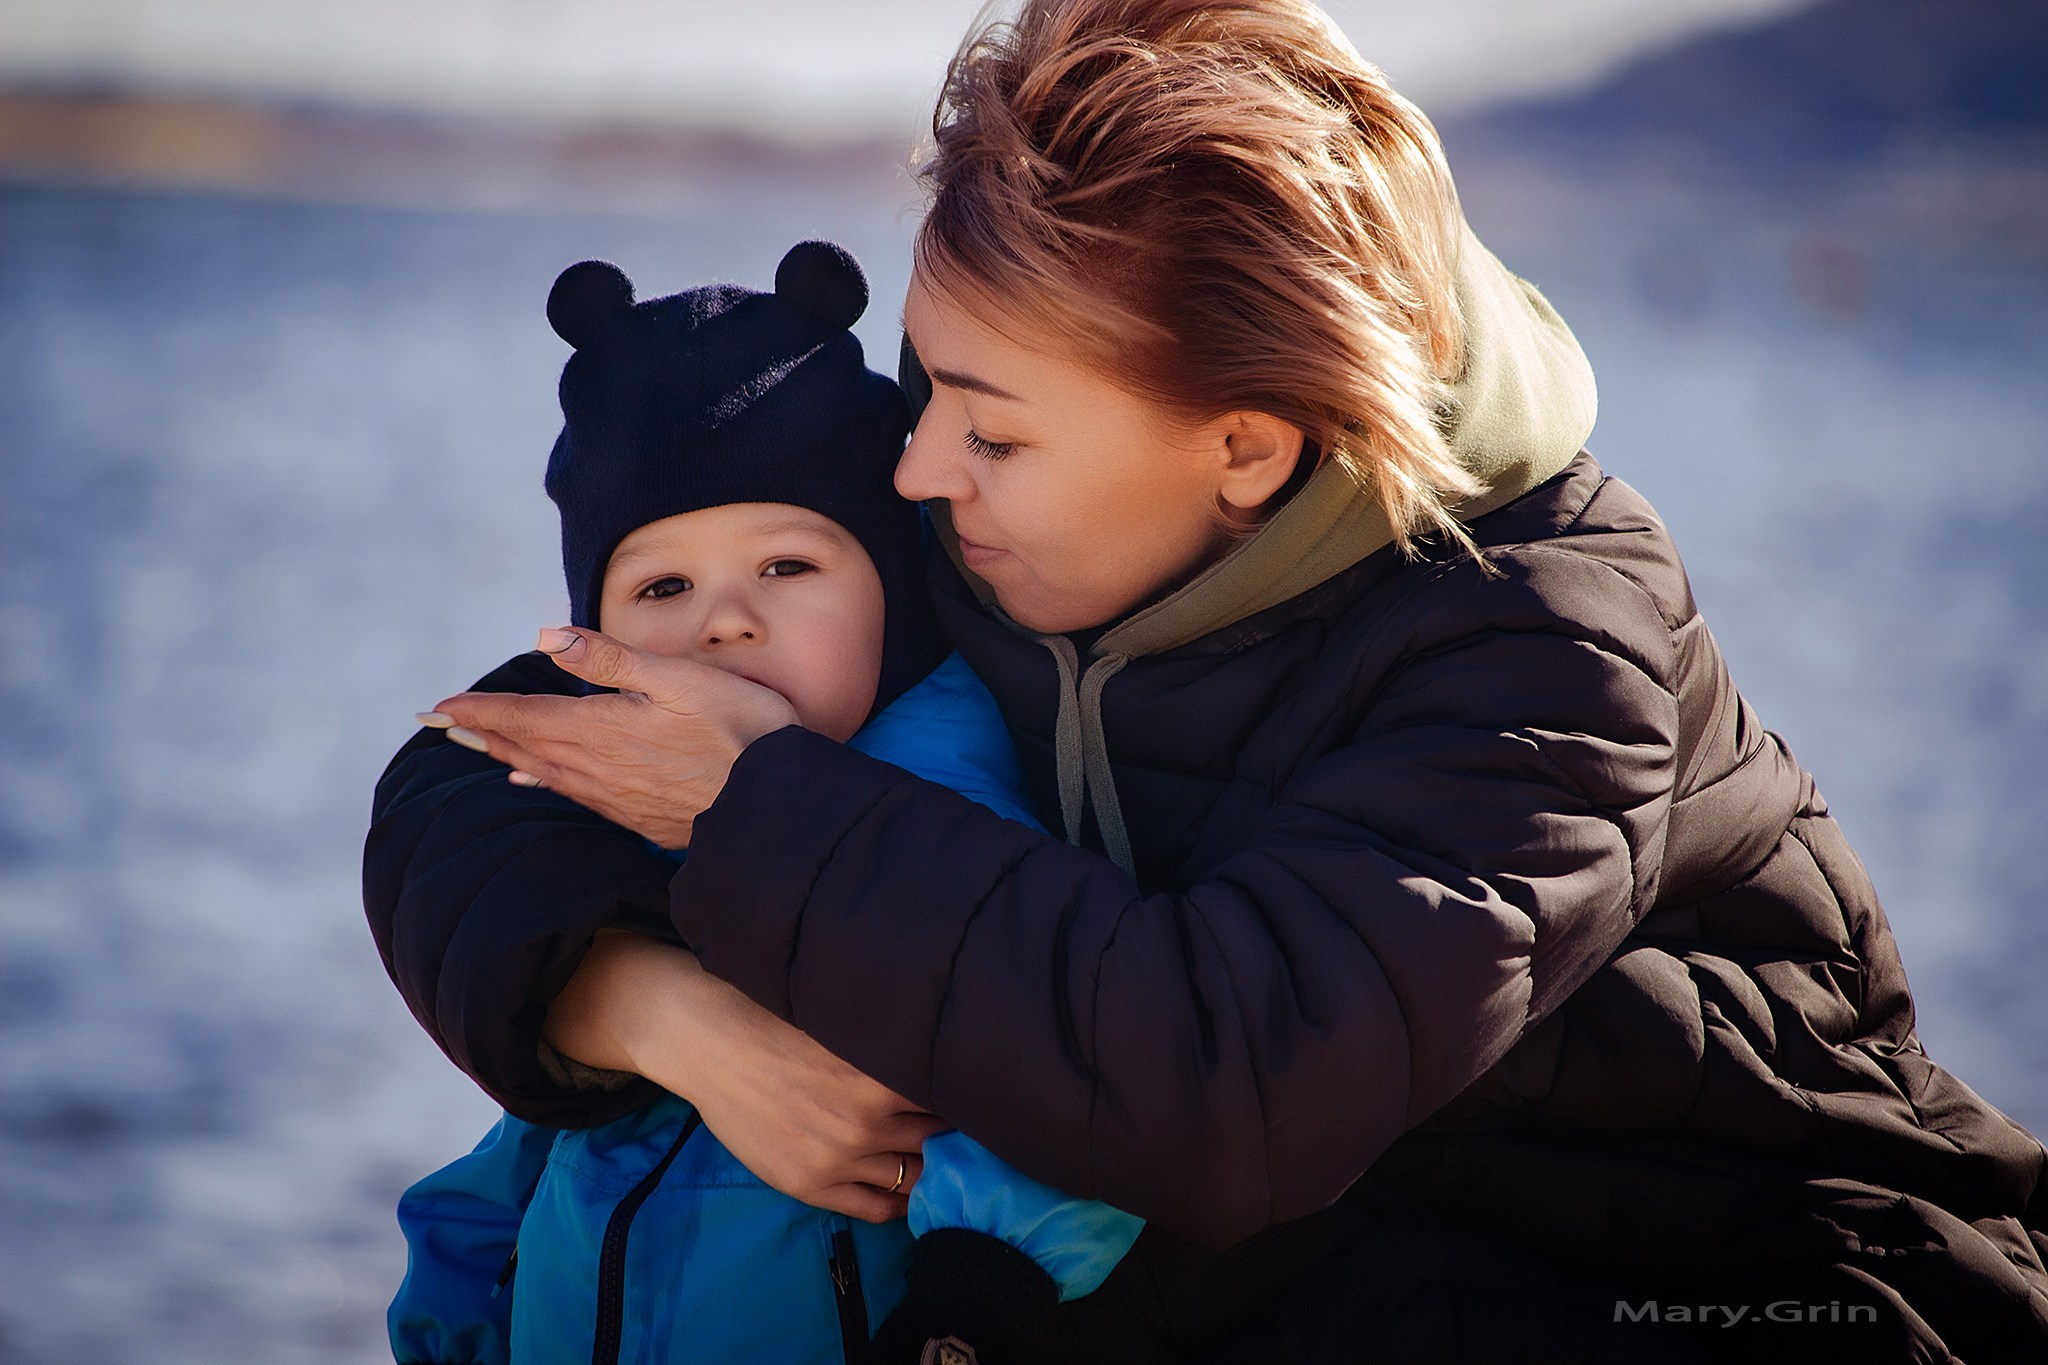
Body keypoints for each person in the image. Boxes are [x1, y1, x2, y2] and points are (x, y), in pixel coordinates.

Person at [367, 1, 2048, 1359]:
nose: (916, 467)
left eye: (990, 425)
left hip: (1735, 1284)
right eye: (923, 385)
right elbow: (470, 774)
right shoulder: (996, 525)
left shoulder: (1543, 651)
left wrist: (755, 808)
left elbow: (1227, 1090)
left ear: (1239, 448)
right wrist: (655, 1014)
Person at [378, 243, 1142, 1365]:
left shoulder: (945, 809)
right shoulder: (610, 827)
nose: (726, 622)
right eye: (662, 586)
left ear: (892, 588)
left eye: (787, 568)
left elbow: (1060, 1054)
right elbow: (521, 1152)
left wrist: (964, 1311)